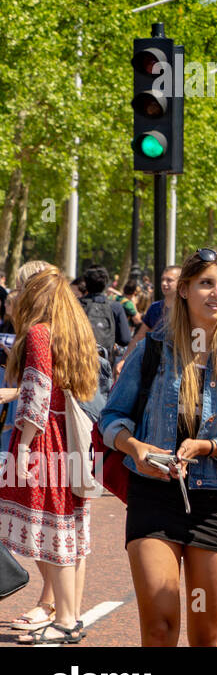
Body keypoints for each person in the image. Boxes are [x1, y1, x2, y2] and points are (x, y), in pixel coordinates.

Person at [99, 248, 217, 646]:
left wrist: (210, 447)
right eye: (206, 284)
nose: (216, 294)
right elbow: (111, 418)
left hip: (215, 505)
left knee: (207, 635)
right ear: (183, 290)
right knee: (159, 628)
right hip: (153, 501)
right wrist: (136, 448)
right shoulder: (153, 350)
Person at [0, 269, 100, 644]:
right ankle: (68, 615)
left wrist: (24, 444)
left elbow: (38, 392)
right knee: (64, 528)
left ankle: (66, 618)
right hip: (68, 437)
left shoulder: (41, 332)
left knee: (48, 530)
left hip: (43, 438)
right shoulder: (75, 332)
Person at [79, 264, 132, 377]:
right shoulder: (115, 307)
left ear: (86, 283)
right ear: (105, 283)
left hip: (79, 364)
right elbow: (125, 339)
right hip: (105, 365)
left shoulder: (75, 305)